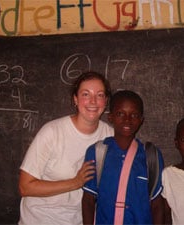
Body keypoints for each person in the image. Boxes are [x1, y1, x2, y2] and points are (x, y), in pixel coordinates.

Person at [18, 71, 114, 225]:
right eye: (85, 94)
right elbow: (25, 186)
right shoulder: (52, 132)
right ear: (75, 99)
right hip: (40, 219)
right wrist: (76, 182)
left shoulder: (110, 135)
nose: (93, 101)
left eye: (100, 95)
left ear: (106, 101)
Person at [82, 90, 164, 225]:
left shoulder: (151, 156)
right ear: (110, 117)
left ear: (141, 120)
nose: (127, 119)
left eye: (134, 115)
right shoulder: (97, 152)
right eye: (120, 114)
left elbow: (157, 204)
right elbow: (88, 199)